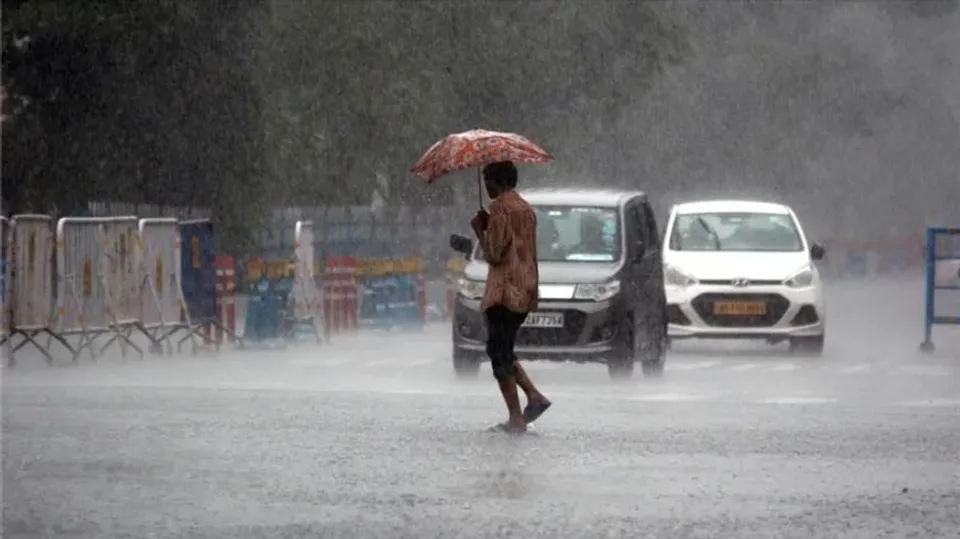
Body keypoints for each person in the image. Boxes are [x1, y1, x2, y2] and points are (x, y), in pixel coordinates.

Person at [470, 161, 551, 434]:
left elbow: (493, 253)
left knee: (499, 354)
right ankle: (533, 398)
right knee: (502, 349)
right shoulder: (526, 209)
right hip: (525, 287)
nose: (486, 186)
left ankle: (517, 417)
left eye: (488, 180)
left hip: (504, 292)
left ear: (498, 181)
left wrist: (480, 229)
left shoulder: (500, 209)